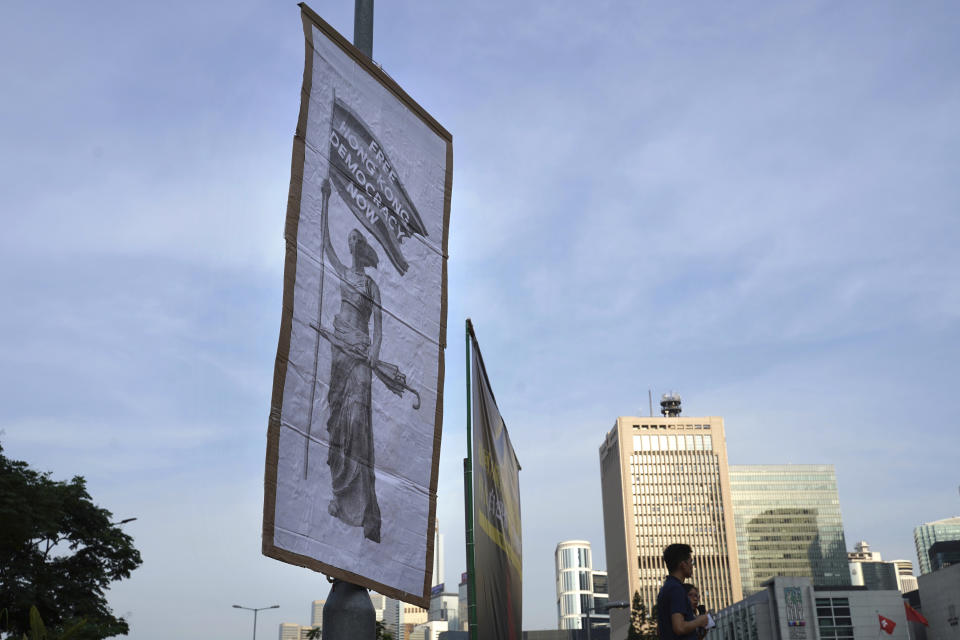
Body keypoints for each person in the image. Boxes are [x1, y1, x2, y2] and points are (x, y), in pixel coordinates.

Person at [320, 179, 383, 543]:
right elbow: (324, 242)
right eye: (351, 244)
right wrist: (326, 198)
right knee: (338, 423)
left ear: (363, 251)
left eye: (355, 244)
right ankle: (341, 499)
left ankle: (361, 506)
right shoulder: (343, 273)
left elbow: (380, 328)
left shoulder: (372, 288)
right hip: (340, 350)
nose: (350, 247)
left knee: (357, 421)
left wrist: (373, 355)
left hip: (359, 353)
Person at [657, 544, 710, 639]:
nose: (692, 566)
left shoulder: (666, 588)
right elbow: (679, 627)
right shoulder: (676, 589)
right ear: (682, 564)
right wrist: (700, 620)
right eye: (691, 562)